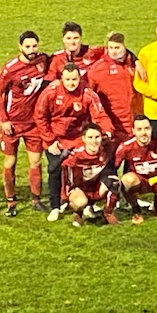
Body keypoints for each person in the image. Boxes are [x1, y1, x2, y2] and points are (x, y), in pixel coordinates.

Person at [34, 62, 114, 222]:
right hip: (56, 140)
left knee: (83, 171)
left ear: (80, 78)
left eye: (74, 79)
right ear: (61, 78)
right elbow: (40, 116)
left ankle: (86, 204)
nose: (71, 83)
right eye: (68, 79)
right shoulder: (50, 92)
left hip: (78, 140)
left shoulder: (87, 94)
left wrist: (107, 130)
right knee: (55, 171)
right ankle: (55, 206)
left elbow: (99, 114)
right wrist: (50, 140)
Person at [0, 31, 49, 216]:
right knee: (10, 161)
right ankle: (11, 201)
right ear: (20, 47)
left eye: (34, 46)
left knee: (36, 161)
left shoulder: (42, 61)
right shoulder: (10, 69)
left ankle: (36, 199)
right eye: (27, 47)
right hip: (13, 123)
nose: (31, 50)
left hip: (33, 123)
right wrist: (4, 119)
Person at [87, 32, 143, 145]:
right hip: (113, 124)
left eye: (117, 47)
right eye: (111, 47)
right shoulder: (98, 69)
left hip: (133, 122)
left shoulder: (133, 64)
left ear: (124, 46)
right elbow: (89, 97)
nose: (113, 51)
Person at [61, 124, 121, 227]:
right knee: (80, 202)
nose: (94, 141)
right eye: (90, 137)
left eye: (97, 137)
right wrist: (67, 196)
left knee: (115, 182)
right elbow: (67, 178)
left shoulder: (106, 150)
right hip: (78, 188)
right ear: (83, 139)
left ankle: (108, 213)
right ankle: (78, 213)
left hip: (95, 187)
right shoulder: (75, 157)